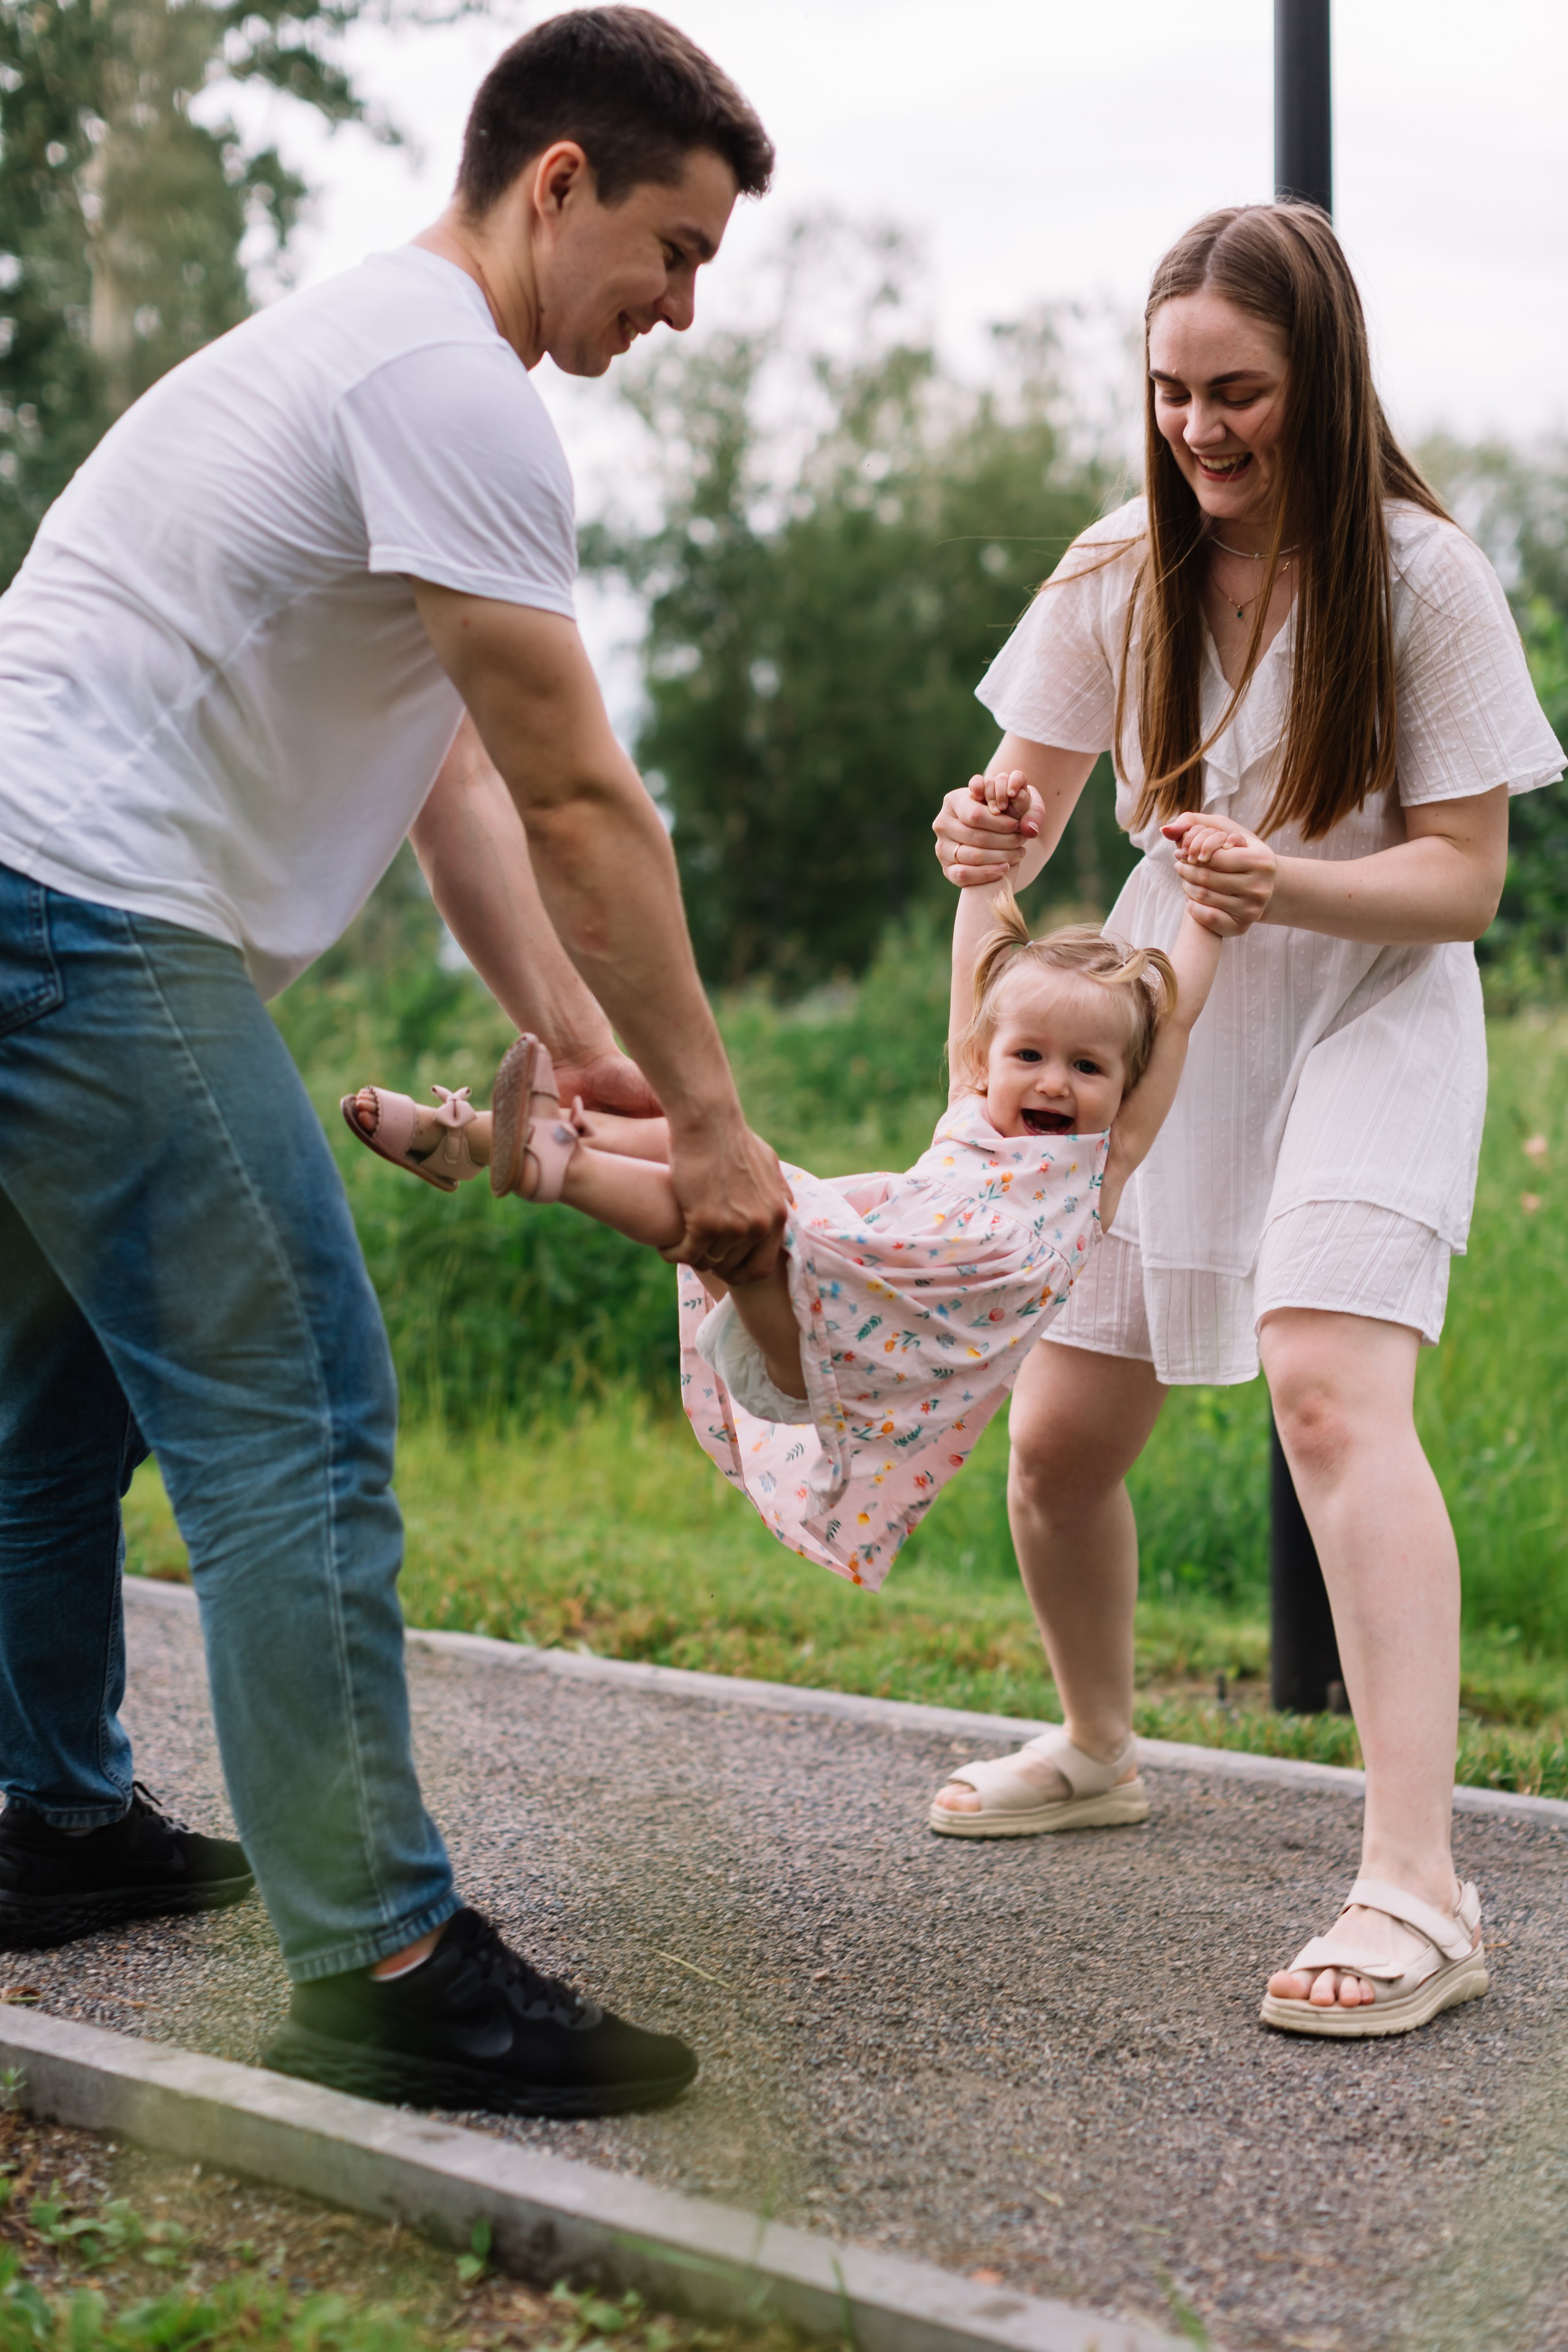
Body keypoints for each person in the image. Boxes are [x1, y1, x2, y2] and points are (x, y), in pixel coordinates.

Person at [0, 6, 788, 2117]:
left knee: (48, 1410)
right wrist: (711, 1128)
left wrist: (569, 1032)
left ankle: (48, 1819)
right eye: (674, 250)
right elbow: (581, 793)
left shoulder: (360, 351)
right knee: (303, 1415)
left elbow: (444, 757)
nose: (684, 309)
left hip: (27, 896)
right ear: (556, 187)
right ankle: (386, 1965)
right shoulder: (454, 382)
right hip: (83, 911)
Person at [929, 203, 1563, 2040]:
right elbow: (1021, 818)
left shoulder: (1426, 578)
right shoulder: (1114, 572)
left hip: (1367, 997)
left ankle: (1417, 1882)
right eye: (1173, 392)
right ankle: (1101, 1744)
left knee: (1328, 1390)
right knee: (1059, 1442)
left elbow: (1463, 885)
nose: (1202, 430)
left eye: (1243, 395)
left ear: (1324, 380)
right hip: (1165, 1004)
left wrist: (1278, 880)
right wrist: (984, 846)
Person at [345, 777, 1229, 1621]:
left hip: (848, 1374)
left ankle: (557, 1160)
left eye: (1088, 1067)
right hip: (811, 1301)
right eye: (1030, 1055)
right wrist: (989, 869)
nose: (1055, 1083)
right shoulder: (969, 1108)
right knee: (731, 1178)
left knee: (753, 1218)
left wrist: (1208, 918)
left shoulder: (1102, 1167)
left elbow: (1178, 1017)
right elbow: (977, 959)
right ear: (985, 1056)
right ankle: (477, 1145)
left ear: (1125, 1082)